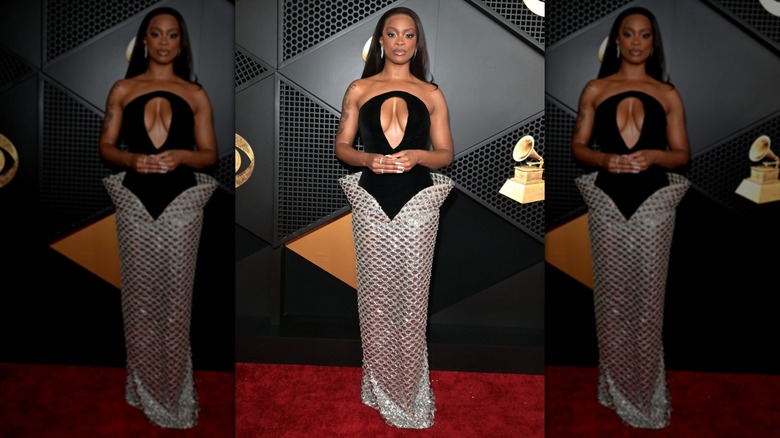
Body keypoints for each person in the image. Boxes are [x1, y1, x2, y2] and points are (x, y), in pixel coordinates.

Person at [570, 7, 691, 429]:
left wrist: (654, 155)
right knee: (611, 300)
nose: (636, 41)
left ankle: (647, 390)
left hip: (655, 204)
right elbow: (579, 146)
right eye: (628, 33)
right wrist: (604, 159)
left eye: (644, 35)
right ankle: (614, 385)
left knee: (649, 302)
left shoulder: (668, 93)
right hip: (607, 202)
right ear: (617, 40)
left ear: (653, 43)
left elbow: (681, 154)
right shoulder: (595, 88)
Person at [334, 6, 454, 429]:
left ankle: (410, 389)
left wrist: (419, 155)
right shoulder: (358, 88)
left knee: (413, 302)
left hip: (419, 205)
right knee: (375, 299)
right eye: (392, 33)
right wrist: (367, 159)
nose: (400, 41)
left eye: (408, 34)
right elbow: (342, 146)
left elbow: (445, 154)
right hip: (371, 203)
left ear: (416, 43)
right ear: (380, 40)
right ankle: (378, 384)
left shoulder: (432, 93)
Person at [98, 6, 218, 429]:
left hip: (183, 204)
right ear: (144, 40)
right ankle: (142, 385)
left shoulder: (195, 93)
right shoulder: (123, 88)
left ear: (181, 43)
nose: (164, 42)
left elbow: (209, 154)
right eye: (156, 33)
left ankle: (174, 389)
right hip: (134, 203)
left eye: (172, 34)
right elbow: (106, 146)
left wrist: (182, 155)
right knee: (139, 300)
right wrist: (132, 159)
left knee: (176, 303)